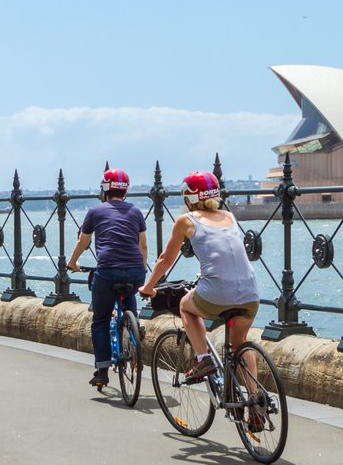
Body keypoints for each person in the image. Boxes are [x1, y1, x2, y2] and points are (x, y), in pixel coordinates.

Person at [139, 171, 264, 426]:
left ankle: (203, 359)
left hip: (217, 292)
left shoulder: (186, 220)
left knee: (187, 307)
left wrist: (149, 287)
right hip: (251, 293)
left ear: (188, 197)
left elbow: (166, 259)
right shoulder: (229, 216)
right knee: (240, 342)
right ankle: (255, 399)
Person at [67, 169, 148, 389]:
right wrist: (142, 270)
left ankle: (102, 371)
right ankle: (134, 328)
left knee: (101, 320)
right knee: (129, 293)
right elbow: (143, 246)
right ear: (126, 191)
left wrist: (72, 262)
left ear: (104, 190)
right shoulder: (136, 212)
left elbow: (83, 242)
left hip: (108, 270)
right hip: (135, 270)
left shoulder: (95, 211)